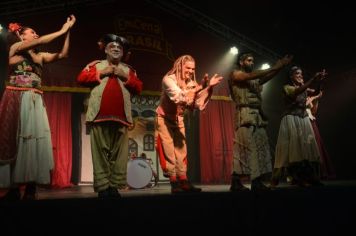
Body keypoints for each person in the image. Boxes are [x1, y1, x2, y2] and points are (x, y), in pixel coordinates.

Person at [0, 15, 76, 200]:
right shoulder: (15, 48)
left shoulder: (39, 56)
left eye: (36, 32)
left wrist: (68, 33)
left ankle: (31, 186)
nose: (36, 34)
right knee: (16, 140)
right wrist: (63, 29)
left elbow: (63, 55)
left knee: (34, 142)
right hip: (16, 98)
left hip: (34, 100)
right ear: (21, 36)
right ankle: (14, 187)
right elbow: (43, 40)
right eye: (31, 32)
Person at [77, 34, 142, 199]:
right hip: (100, 116)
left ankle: (114, 186)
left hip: (121, 118)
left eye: (119, 48)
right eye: (112, 47)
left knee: (118, 156)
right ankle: (103, 187)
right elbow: (81, 78)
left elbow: (139, 87)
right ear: (105, 50)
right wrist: (103, 72)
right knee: (100, 154)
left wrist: (123, 75)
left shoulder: (128, 70)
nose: (116, 49)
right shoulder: (96, 65)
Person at [155, 54, 223, 193]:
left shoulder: (191, 83)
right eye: (188, 68)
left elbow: (197, 103)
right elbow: (179, 97)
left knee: (181, 150)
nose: (191, 71)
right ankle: (174, 182)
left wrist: (209, 87)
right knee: (168, 149)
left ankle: (184, 181)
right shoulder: (168, 79)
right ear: (180, 66)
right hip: (164, 118)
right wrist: (199, 88)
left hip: (178, 118)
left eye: (193, 69)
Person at [228, 52, 293, 191]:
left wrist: (279, 67)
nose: (252, 63)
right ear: (241, 62)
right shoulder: (235, 74)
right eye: (249, 60)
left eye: (253, 61)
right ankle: (240, 181)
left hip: (257, 116)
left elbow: (266, 76)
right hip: (245, 115)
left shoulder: (254, 79)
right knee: (244, 148)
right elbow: (251, 76)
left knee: (259, 147)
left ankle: (254, 181)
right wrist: (276, 66)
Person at [271, 66, 325, 187]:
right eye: (297, 74)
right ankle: (276, 179)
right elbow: (297, 91)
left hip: (303, 118)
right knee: (289, 149)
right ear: (291, 77)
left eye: (301, 74)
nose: (300, 76)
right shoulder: (287, 87)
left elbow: (316, 93)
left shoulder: (304, 87)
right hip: (291, 119)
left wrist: (320, 81)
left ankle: (308, 177)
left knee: (306, 148)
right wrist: (312, 79)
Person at [306, 90, 336, 180]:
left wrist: (316, 100)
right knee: (307, 147)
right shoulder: (299, 97)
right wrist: (314, 97)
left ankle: (319, 172)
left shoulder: (308, 98)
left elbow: (313, 111)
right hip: (304, 122)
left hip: (311, 122)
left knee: (317, 146)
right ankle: (307, 174)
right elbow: (301, 106)